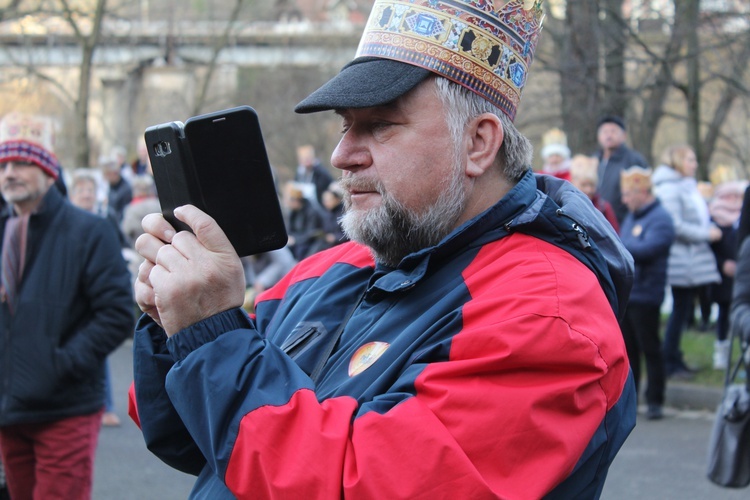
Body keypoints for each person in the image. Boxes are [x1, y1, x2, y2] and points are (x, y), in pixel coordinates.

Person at [130, 1, 636, 498]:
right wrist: (173, 322)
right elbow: (194, 440)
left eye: (379, 125)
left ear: (479, 143)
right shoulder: (333, 267)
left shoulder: (547, 316)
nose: (341, 155)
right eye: (345, 125)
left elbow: (366, 484)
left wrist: (211, 338)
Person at [0, 112, 134, 499]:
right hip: (10, 410)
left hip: (65, 408)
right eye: (4, 164)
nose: (10, 173)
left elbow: (115, 314)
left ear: (47, 169)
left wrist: (60, 364)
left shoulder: (89, 230)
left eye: (22, 162)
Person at [653, 144, 722, 379]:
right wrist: (706, 234)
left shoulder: (685, 186)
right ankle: (669, 361)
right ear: (677, 162)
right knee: (680, 310)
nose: (695, 164)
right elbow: (675, 225)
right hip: (682, 260)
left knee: (682, 311)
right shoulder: (671, 189)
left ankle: (674, 357)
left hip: (692, 260)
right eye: (690, 160)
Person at [69, 169, 129, 428]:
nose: (86, 194)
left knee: (97, 352)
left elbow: (118, 250)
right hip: (69, 298)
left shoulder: (106, 220)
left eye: (90, 190)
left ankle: (106, 406)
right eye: (80, 190)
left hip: (96, 297)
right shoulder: (63, 224)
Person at [618, 167, 675, 420]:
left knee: (650, 348)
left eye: (629, 194)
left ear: (642, 192)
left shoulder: (661, 218)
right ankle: (633, 398)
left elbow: (648, 250)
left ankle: (655, 400)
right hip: (631, 293)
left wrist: (620, 246)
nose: (624, 200)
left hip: (647, 294)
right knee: (629, 351)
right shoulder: (632, 216)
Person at [707, 176, 748, 369]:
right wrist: (722, 264)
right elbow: (709, 248)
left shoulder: (741, 215)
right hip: (723, 275)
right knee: (724, 312)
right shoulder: (715, 216)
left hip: (741, 270)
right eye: (728, 196)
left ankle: (743, 353)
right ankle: (721, 354)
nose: (732, 200)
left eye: (736, 196)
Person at [595, 115, 649, 225]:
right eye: (605, 132)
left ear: (623, 136)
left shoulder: (634, 160)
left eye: (613, 131)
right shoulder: (594, 160)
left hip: (624, 225)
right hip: (597, 223)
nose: (609, 136)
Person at [570, 154, 620, 233]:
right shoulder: (566, 207)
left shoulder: (604, 208)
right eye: (584, 185)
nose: (589, 190)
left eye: (592, 185)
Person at [101, 154, 132, 223]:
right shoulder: (111, 186)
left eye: (107, 174)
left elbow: (123, 214)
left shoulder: (125, 189)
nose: (105, 178)